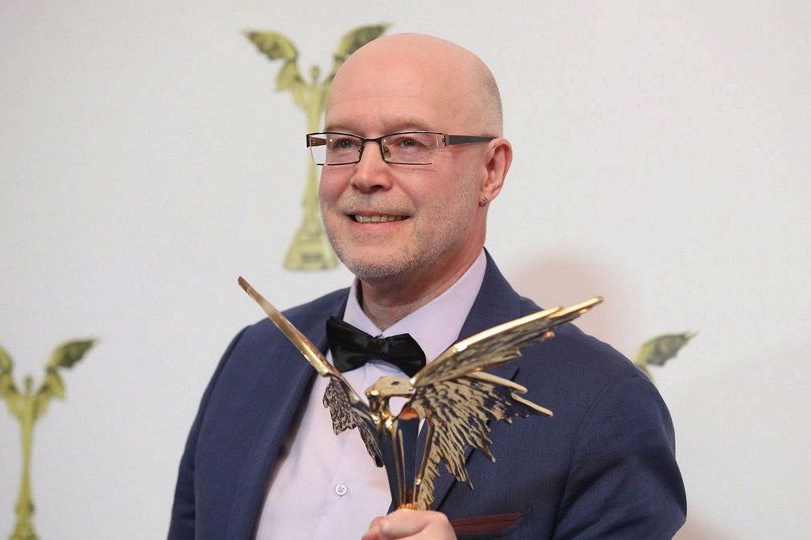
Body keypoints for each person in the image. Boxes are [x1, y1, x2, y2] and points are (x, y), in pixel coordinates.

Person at [168, 33, 686, 539]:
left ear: (490, 171)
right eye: (344, 143)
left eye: (408, 143)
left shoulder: (602, 403)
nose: (366, 174)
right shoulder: (253, 358)